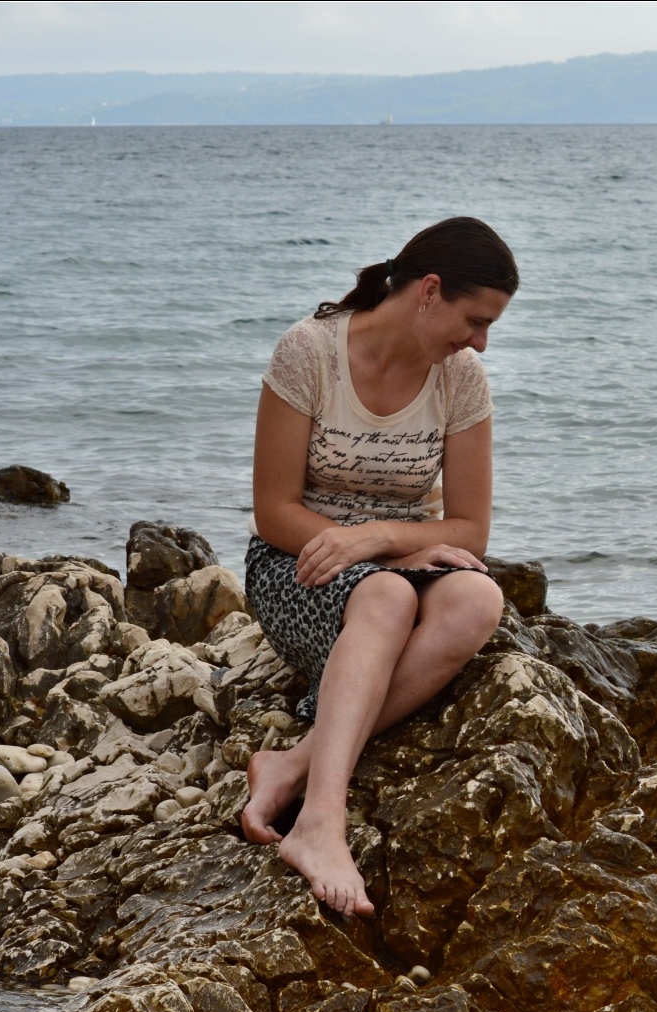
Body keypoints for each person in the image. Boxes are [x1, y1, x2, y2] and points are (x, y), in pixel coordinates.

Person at [240, 217, 518, 917]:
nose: (481, 342)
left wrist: (380, 540)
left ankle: (293, 763)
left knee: (478, 602)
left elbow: (470, 529)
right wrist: (363, 547)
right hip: (295, 561)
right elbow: (273, 510)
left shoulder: (461, 379)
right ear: (430, 290)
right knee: (389, 598)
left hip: (397, 554)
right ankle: (320, 822)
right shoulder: (309, 353)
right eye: (475, 321)